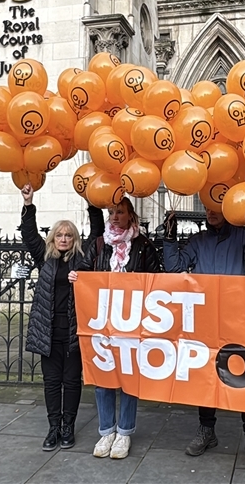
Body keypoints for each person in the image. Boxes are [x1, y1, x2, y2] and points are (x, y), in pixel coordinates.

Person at [162, 206, 245, 465]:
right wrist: (169, 239)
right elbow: (174, 268)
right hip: (206, 319)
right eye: (207, 208)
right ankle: (206, 429)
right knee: (206, 376)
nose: (210, 212)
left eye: (216, 208)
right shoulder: (197, 241)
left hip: (237, 317)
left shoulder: (242, 236)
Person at [75, 197, 162, 460]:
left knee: (128, 376)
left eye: (120, 212)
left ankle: (124, 432)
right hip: (103, 321)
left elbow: (157, 279)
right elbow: (82, 271)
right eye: (111, 212)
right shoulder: (100, 244)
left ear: (130, 216)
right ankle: (106, 431)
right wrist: (76, 277)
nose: (114, 216)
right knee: (103, 376)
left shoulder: (143, 246)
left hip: (132, 321)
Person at [20, 184, 103, 451]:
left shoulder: (81, 259)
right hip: (48, 331)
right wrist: (28, 203)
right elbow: (29, 235)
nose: (64, 239)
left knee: (71, 381)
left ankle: (69, 427)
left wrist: (91, 202)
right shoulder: (45, 259)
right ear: (53, 239)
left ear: (74, 239)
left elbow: (98, 232)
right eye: (59, 235)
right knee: (52, 382)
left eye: (68, 235)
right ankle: (53, 427)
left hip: (73, 332)